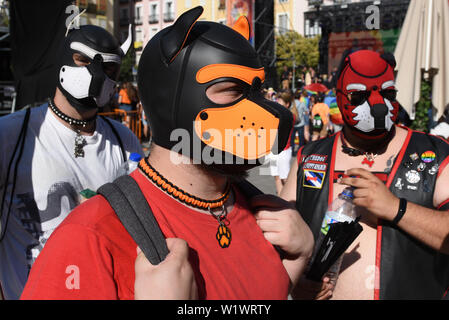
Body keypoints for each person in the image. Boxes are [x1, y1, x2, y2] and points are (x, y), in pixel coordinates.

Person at [21, 7, 314, 300]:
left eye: (257, 92)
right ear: (172, 97)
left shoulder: (264, 216)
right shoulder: (90, 237)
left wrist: (295, 262)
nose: (264, 110)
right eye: (233, 90)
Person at [282, 50, 449, 300]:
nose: (378, 105)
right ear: (339, 97)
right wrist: (294, 282)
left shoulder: (435, 154)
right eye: (359, 96)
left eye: (388, 94)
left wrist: (396, 208)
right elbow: (278, 246)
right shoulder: (310, 158)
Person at [0, 24, 143, 300]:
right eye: (83, 61)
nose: (97, 74)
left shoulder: (124, 141)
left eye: (110, 69)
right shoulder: (10, 135)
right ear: (65, 58)